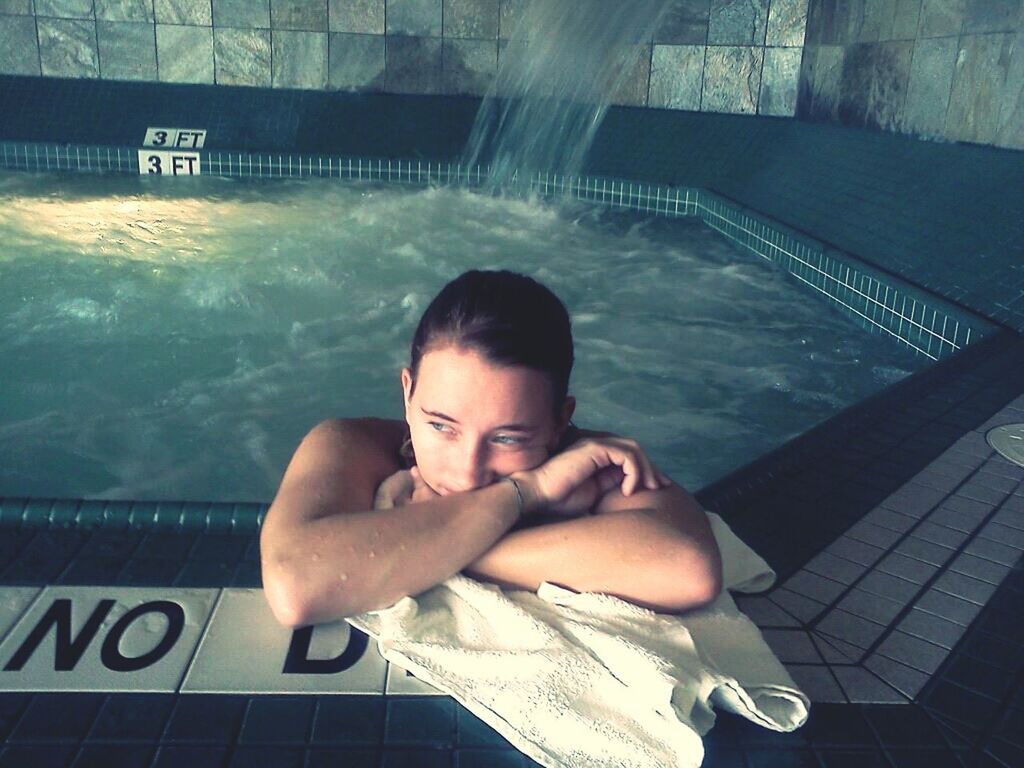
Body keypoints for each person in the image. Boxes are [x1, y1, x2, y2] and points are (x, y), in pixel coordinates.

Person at [260, 269, 722, 628]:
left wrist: (420, 550)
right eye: (441, 426)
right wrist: (525, 492)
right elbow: (297, 585)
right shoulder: (353, 445)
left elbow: (687, 569)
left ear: (561, 420)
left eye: (507, 438)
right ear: (407, 394)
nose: (466, 474)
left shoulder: (597, 463)